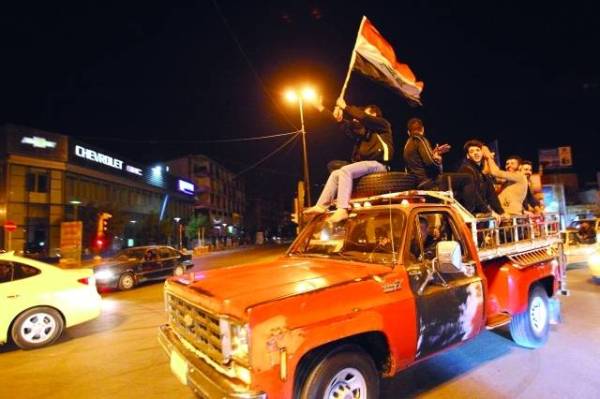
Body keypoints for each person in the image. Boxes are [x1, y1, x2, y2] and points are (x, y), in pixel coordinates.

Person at [304, 97, 394, 223]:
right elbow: (345, 124)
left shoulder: (383, 125)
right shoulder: (364, 132)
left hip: (379, 165)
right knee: (336, 173)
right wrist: (324, 110)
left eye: (366, 113)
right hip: (366, 165)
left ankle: (342, 209)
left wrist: (346, 107)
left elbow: (364, 117)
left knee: (345, 171)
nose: (360, 118)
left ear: (374, 114)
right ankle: (321, 206)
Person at [457, 140, 505, 220]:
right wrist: (488, 212)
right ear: (468, 156)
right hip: (468, 215)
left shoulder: (482, 173)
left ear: (482, 153)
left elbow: (491, 195)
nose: (476, 153)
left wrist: (501, 212)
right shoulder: (466, 169)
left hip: (478, 214)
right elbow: (474, 194)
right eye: (472, 151)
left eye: (478, 150)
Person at [403, 118, 450, 189]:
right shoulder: (420, 139)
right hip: (428, 182)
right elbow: (431, 164)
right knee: (467, 179)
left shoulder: (407, 144)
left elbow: (418, 161)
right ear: (423, 129)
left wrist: (433, 153)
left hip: (416, 182)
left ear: (408, 132)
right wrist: (439, 161)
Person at [482, 148, 528, 215]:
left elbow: (495, 172)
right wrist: (486, 159)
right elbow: (490, 174)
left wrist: (489, 157)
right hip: (505, 215)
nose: (509, 166)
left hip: (511, 216)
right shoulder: (508, 180)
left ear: (520, 167)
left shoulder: (519, 176)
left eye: (512, 163)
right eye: (507, 164)